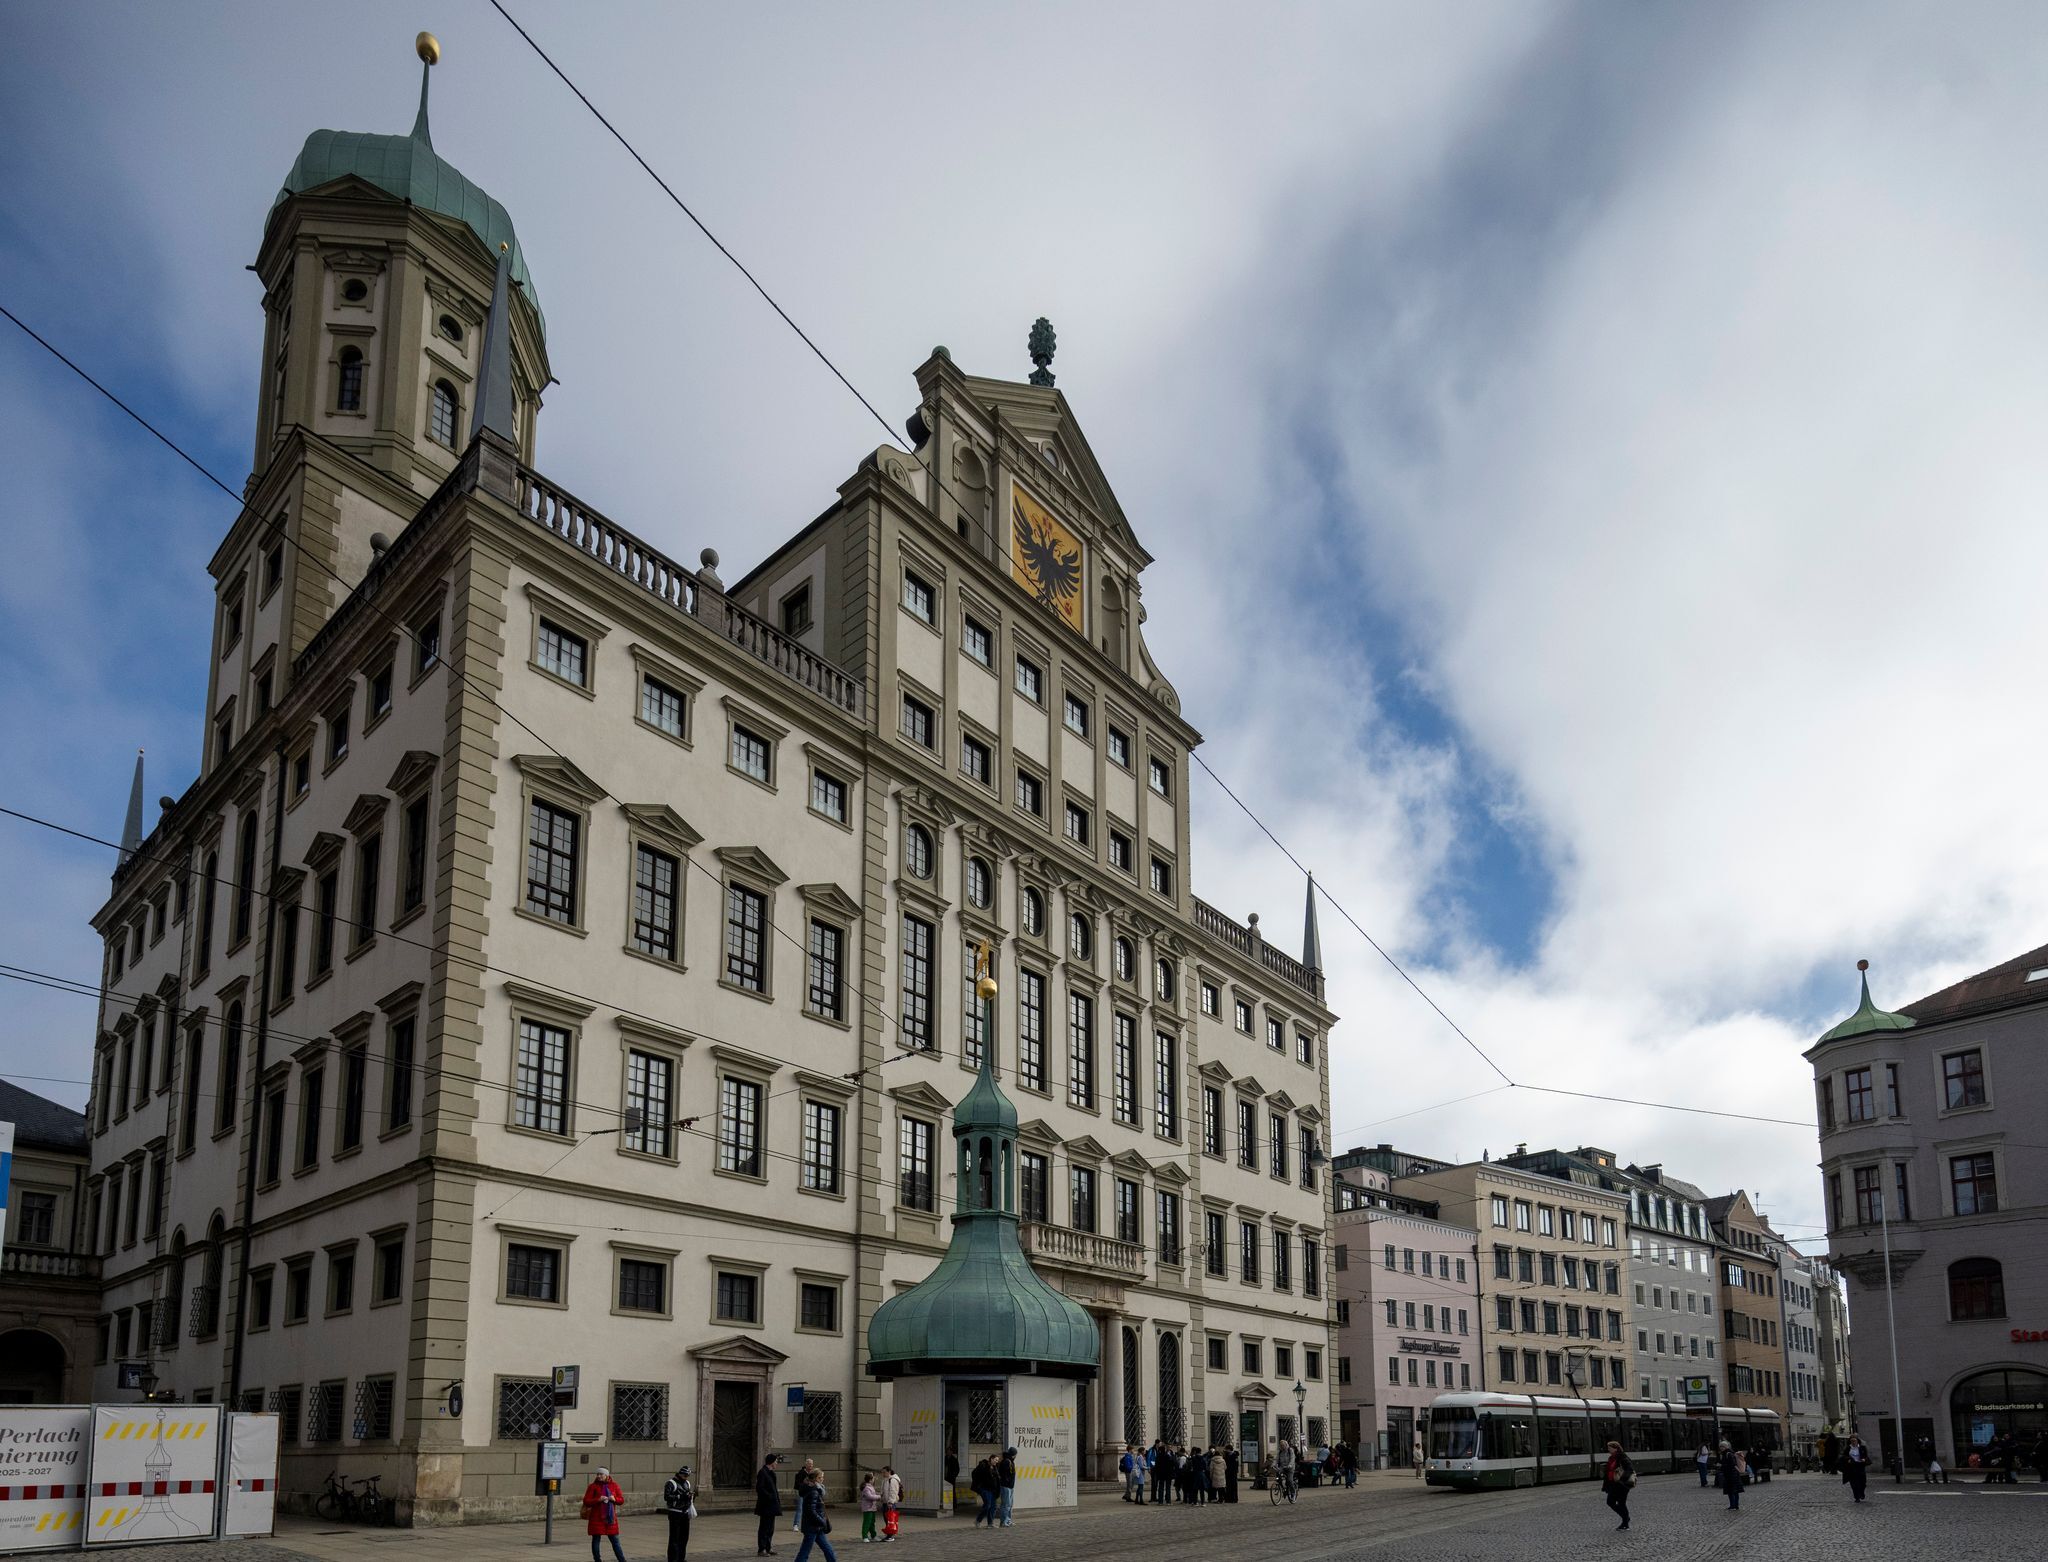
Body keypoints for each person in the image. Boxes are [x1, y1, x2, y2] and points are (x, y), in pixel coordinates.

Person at [583, 1469, 627, 1562]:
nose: (599, 1476)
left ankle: (622, 1560)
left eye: (601, 1474)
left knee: (615, 1541)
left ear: (607, 1475)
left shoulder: (614, 1486)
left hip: (610, 1518)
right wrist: (598, 1499)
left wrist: (614, 1499)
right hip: (596, 1518)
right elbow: (586, 1501)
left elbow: (621, 1500)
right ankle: (597, 1560)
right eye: (597, 1474)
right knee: (596, 1540)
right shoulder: (592, 1486)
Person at [794, 1469, 837, 1562]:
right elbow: (811, 1511)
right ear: (814, 1479)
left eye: (822, 1477)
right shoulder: (813, 1491)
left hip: (816, 1527)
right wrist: (822, 1521)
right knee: (805, 1552)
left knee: (828, 1550)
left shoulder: (815, 1489)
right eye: (820, 1477)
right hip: (812, 1527)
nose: (822, 1479)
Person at [662, 1464, 695, 1562]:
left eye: (687, 1476)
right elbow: (666, 1497)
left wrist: (690, 1496)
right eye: (685, 1476)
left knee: (684, 1537)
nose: (686, 1478)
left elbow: (687, 1495)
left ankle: (681, 1558)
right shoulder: (671, 1483)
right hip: (675, 1513)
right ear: (680, 1474)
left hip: (685, 1513)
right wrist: (680, 1497)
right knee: (674, 1538)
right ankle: (673, 1559)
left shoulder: (687, 1483)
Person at [1601, 1441, 1636, 1531]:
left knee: (1621, 1503)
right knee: (1610, 1502)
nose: (1608, 1449)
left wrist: (1622, 1480)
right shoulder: (1611, 1458)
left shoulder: (1622, 1457)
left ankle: (1625, 1523)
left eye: (1610, 1448)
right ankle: (1625, 1518)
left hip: (1621, 1485)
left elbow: (1629, 1469)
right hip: (1613, 1484)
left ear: (1615, 1448)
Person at [755, 1453, 784, 1556]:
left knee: (770, 1528)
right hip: (766, 1505)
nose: (776, 1463)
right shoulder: (763, 1472)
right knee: (764, 1527)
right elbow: (759, 1488)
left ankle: (768, 1547)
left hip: (772, 1506)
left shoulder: (771, 1473)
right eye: (775, 1461)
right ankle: (761, 1549)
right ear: (771, 1462)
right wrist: (770, 1496)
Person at [969, 1456, 998, 1528]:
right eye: (995, 1460)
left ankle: (990, 1523)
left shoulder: (995, 1468)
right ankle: (978, 1520)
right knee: (987, 1505)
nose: (996, 1461)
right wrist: (979, 1485)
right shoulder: (984, 1466)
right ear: (991, 1459)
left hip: (993, 1490)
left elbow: (996, 1479)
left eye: (997, 1460)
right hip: (985, 1489)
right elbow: (974, 1473)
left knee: (993, 1506)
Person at [1842, 1434, 1869, 1502]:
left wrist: (1864, 1459)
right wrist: (1848, 1459)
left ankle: (1861, 1493)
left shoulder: (1862, 1447)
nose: (1853, 1442)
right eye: (1852, 1441)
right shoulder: (1848, 1448)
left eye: (1854, 1440)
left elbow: (1866, 1456)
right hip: (1852, 1466)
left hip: (1860, 1466)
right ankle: (1857, 1497)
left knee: (1863, 1482)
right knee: (1854, 1483)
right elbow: (1844, 1456)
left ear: (1857, 1441)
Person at [996, 1446, 1017, 1527]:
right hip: (1006, 1486)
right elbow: (1004, 1474)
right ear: (1013, 1455)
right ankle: (1004, 1521)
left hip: (1010, 1486)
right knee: (1005, 1505)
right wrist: (1007, 1481)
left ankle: (1008, 1520)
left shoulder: (1010, 1461)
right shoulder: (1006, 1462)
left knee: (1009, 1504)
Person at [1719, 1443, 1742, 1511]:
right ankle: (1735, 1505)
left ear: (1726, 1447)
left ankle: (1733, 1505)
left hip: (1731, 1474)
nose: (1721, 1448)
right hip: (1732, 1474)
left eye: (1722, 1446)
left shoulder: (1728, 1454)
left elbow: (1732, 1464)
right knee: (1734, 1490)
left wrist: (1722, 1466)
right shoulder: (1728, 1453)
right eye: (1720, 1447)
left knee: (1731, 1491)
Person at [881, 1466, 901, 1541]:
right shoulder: (885, 1480)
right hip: (885, 1502)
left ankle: (890, 1536)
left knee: (890, 1520)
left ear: (889, 1472)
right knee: (886, 1519)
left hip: (890, 1503)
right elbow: (884, 1491)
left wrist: (891, 1502)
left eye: (884, 1472)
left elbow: (893, 1492)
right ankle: (888, 1534)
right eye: (882, 1472)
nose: (883, 1474)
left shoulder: (892, 1480)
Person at [858, 1473, 879, 1545]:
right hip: (867, 1508)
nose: (874, 1480)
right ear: (870, 1480)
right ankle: (865, 1536)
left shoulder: (871, 1486)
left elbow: (873, 1494)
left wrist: (878, 1495)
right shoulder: (866, 1488)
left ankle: (873, 1535)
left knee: (872, 1522)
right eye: (873, 1479)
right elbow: (870, 1497)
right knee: (867, 1522)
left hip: (872, 1508)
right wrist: (879, 1497)